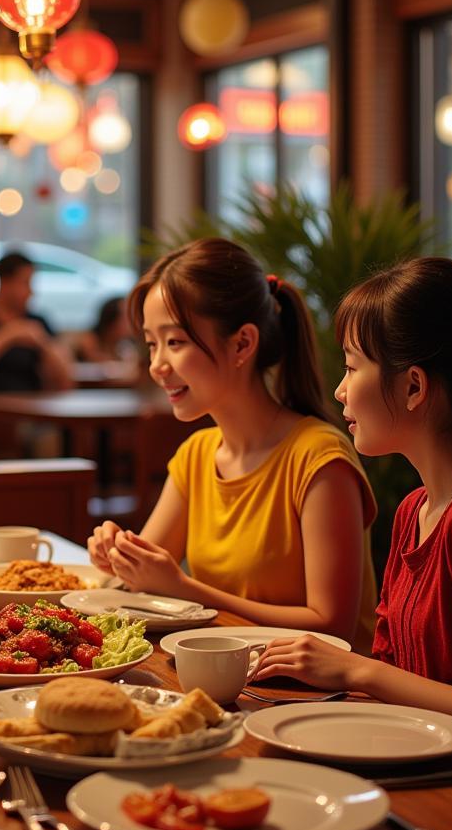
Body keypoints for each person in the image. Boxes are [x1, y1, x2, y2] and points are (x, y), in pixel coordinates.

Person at [253, 257, 452, 782]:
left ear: (414, 387)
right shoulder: (413, 511)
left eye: (352, 367)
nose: (339, 391)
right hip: (425, 772)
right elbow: (394, 672)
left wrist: (357, 670)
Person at [87, 238, 378, 651]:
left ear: (242, 343)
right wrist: (118, 556)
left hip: (318, 702)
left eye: (175, 342)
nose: (157, 365)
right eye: (151, 344)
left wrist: (185, 588)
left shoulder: (318, 457)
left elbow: (332, 628)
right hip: (228, 681)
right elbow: (146, 577)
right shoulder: (197, 455)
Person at [0, 250, 73, 392]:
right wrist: (10, 334)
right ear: (4, 283)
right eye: (25, 283)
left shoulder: (36, 322)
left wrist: (42, 343)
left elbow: (66, 379)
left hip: (32, 408)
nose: (31, 292)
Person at [71, 297, 138, 364]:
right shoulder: (89, 341)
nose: (131, 322)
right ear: (111, 321)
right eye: (125, 318)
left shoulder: (124, 345)